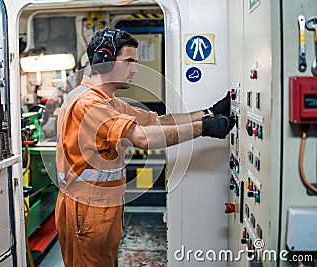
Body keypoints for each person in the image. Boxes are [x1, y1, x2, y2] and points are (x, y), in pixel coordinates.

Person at [55, 28, 234, 267]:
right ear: (104, 62)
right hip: (87, 209)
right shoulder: (89, 104)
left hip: (100, 205)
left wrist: (208, 113)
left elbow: (156, 121)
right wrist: (203, 128)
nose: (135, 69)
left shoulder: (104, 101)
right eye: (128, 61)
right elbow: (142, 138)